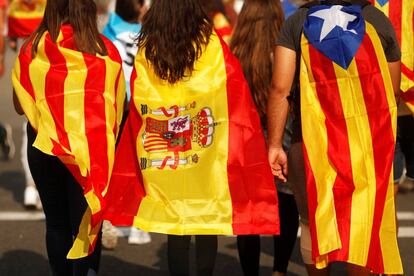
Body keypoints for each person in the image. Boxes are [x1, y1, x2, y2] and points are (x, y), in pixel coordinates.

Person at [103, 1, 280, 276]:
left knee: (176, 227)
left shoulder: (150, 45)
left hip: (164, 148)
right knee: (203, 221)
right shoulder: (209, 42)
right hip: (204, 147)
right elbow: (230, 86)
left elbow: (139, 91)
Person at [268, 0, 403, 275]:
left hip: (309, 142)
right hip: (368, 144)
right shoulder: (377, 21)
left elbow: (280, 88)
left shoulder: (297, 23)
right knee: (362, 223)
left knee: (311, 221)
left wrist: (273, 144)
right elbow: (392, 91)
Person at [11, 0, 125, 274]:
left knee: (56, 223)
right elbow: (118, 106)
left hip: (45, 147)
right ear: (88, 10)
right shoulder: (105, 51)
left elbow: (19, 106)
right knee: (87, 223)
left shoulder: (32, 48)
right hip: (90, 152)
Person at [230, 1, 298, 276]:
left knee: (248, 212)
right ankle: (279, 270)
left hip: (243, 139)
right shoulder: (284, 52)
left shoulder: (233, 53)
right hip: (281, 135)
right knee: (286, 203)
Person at [102, 0, 151, 248]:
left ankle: (108, 217)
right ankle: (137, 226)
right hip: (142, 106)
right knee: (141, 164)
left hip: (114, 103)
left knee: (112, 163)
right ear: (140, 8)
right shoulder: (147, 34)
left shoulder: (107, 32)